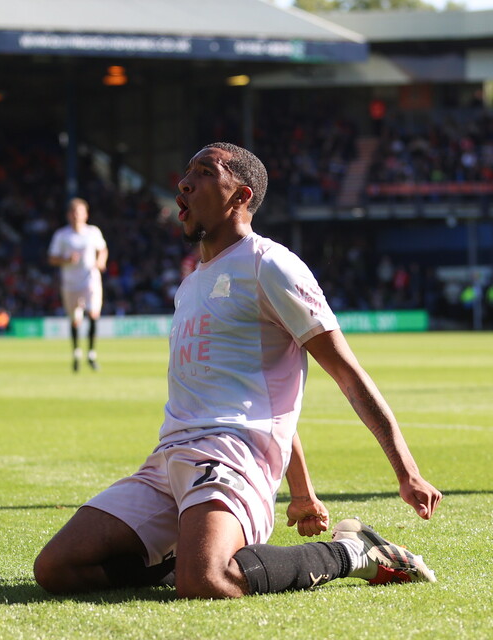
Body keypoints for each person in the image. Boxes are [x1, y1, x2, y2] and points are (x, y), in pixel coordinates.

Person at [34, 142, 442, 599]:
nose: (184, 182)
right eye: (186, 172)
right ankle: (194, 554)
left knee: (207, 581)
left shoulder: (270, 264)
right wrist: (302, 490)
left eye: (205, 172)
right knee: (58, 569)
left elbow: (347, 374)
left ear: (241, 196)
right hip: (170, 460)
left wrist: (405, 470)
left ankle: (352, 552)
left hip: (232, 458)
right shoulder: (190, 283)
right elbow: (263, 389)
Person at [48, 198, 108, 371]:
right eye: (73, 213)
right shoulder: (62, 235)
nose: (76, 216)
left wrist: (101, 261)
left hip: (90, 279)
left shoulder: (93, 232)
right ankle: (76, 353)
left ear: (86, 215)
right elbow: (52, 258)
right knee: (75, 319)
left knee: (93, 313)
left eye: (79, 212)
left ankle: (91, 354)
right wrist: (66, 260)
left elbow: (102, 249)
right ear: (69, 215)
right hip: (70, 283)